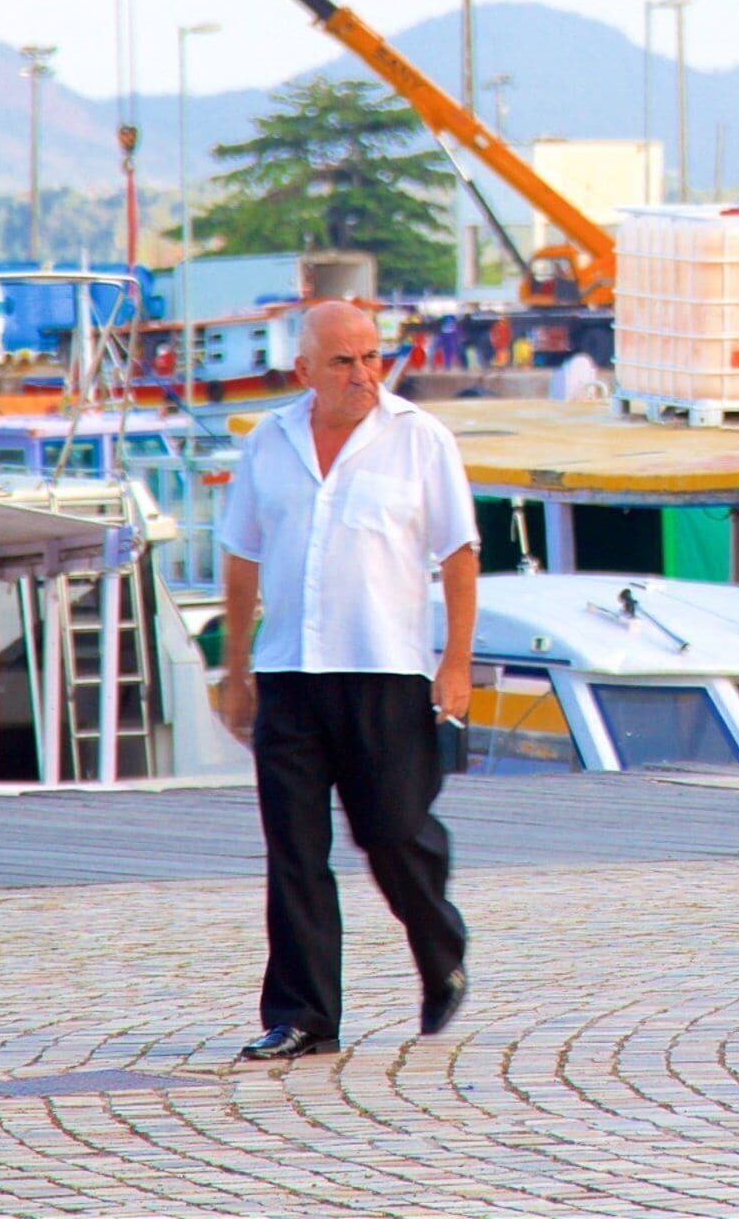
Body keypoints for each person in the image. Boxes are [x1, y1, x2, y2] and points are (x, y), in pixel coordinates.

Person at [215, 301, 484, 1061]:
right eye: (344, 361)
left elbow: (459, 554)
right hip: (290, 673)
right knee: (293, 849)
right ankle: (304, 1015)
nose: (364, 374)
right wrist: (237, 671)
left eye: (372, 357)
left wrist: (455, 662)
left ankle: (441, 950)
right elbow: (241, 557)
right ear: (305, 371)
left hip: (386, 672)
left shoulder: (419, 440)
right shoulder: (267, 443)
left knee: (395, 833)